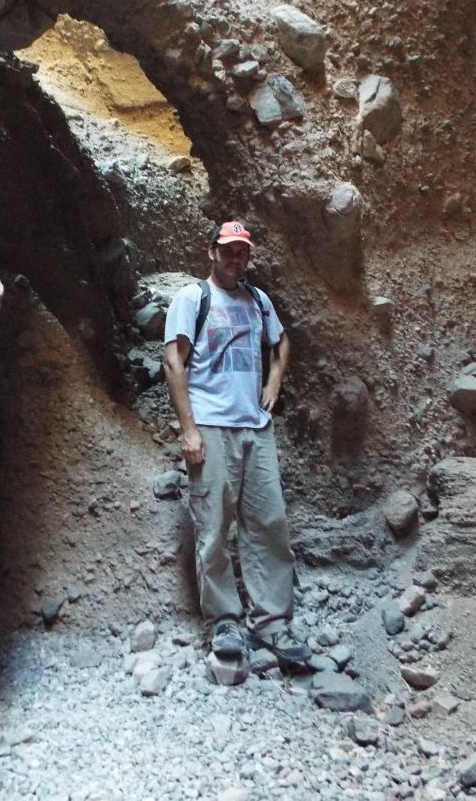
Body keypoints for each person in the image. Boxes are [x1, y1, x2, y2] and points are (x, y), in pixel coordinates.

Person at [162, 221, 310, 664]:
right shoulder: (193, 298)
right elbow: (173, 360)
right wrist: (188, 429)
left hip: (255, 426)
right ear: (212, 252)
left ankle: (272, 624)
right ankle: (224, 621)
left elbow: (282, 343)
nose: (235, 258)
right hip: (211, 425)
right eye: (228, 250)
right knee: (213, 528)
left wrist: (275, 382)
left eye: (242, 252)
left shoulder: (259, 301)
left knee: (269, 523)